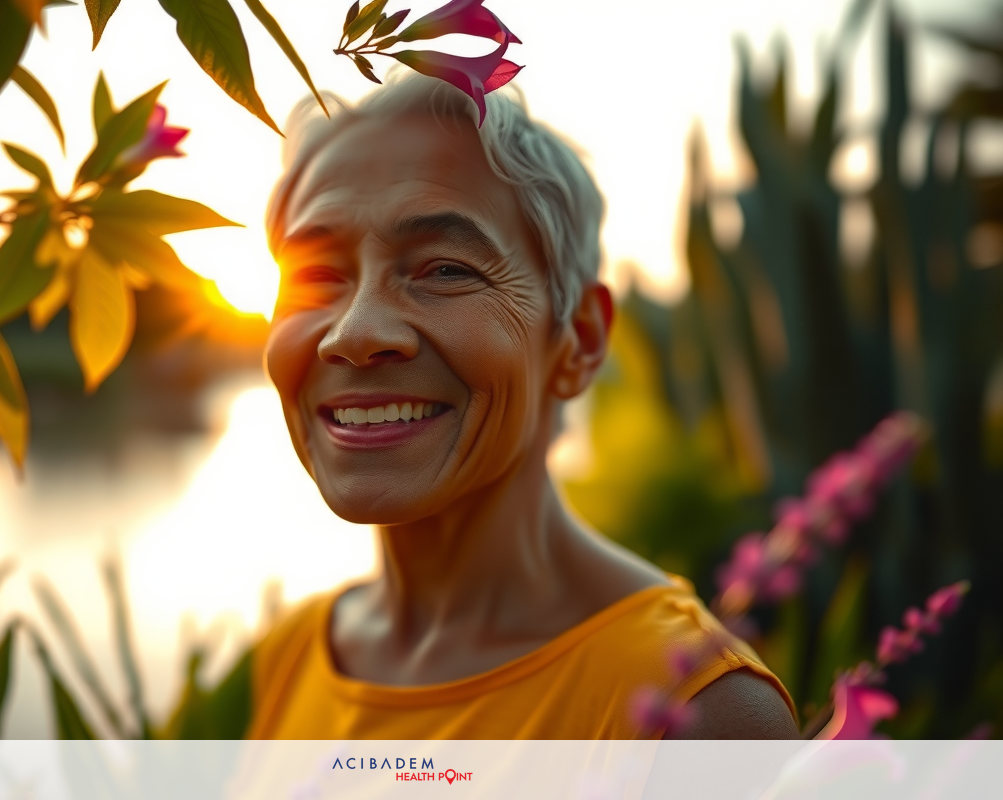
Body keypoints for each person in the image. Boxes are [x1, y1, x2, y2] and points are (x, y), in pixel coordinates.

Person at [248, 71, 797, 739]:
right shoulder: (292, 653)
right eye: (318, 277)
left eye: (445, 268)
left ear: (578, 340)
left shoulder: (695, 711)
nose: (356, 333)